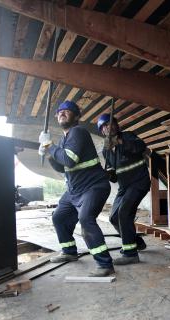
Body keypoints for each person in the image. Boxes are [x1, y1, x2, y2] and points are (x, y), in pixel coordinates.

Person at [39, 101, 114, 276]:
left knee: (86, 219)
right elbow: (62, 167)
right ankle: (69, 252)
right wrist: (49, 154)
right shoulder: (63, 139)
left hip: (93, 186)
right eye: (59, 112)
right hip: (75, 190)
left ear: (77, 117)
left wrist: (50, 146)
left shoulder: (78, 132)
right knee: (59, 217)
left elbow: (70, 159)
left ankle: (104, 264)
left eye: (67, 111)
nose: (62, 113)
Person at [97, 113, 150, 265]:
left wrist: (119, 141)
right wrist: (108, 174)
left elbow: (140, 147)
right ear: (102, 131)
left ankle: (130, 254)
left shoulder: (127, 136)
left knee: (124, 213)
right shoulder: (107, 150)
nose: (108, 127)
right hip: (124, 187)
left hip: (139, 182)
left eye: (110, 123)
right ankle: (136, 242)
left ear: (116, 125)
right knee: (114, 218)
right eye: (104, 126)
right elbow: (114, 176)